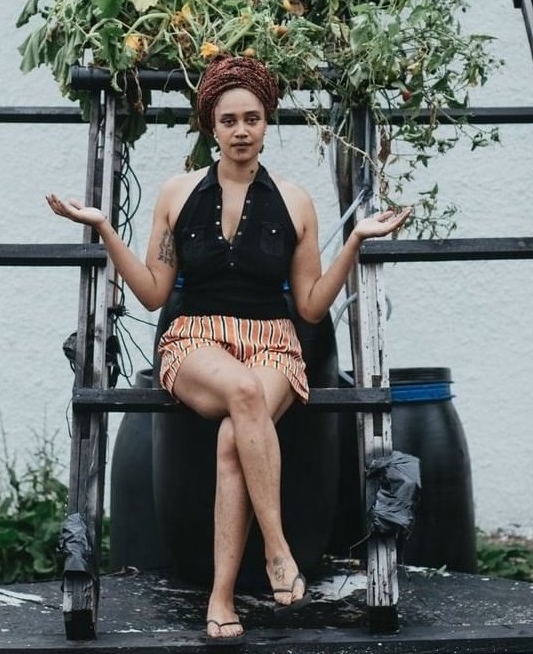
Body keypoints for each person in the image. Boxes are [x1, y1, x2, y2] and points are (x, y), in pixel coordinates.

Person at [46, 55, 411, 644]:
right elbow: (151, 294)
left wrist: (358, 242)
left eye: (253, 119)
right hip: (196, 340)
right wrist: (105, 228)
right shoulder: (176, 192)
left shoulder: (295, 202)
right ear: (210, 127)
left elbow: (313, 307)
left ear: (267, 124)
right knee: (242, 393)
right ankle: (277, 550)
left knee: (232, 435)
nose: (242, 131)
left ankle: (220, 599)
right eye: (229, 120)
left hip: (272, 342)